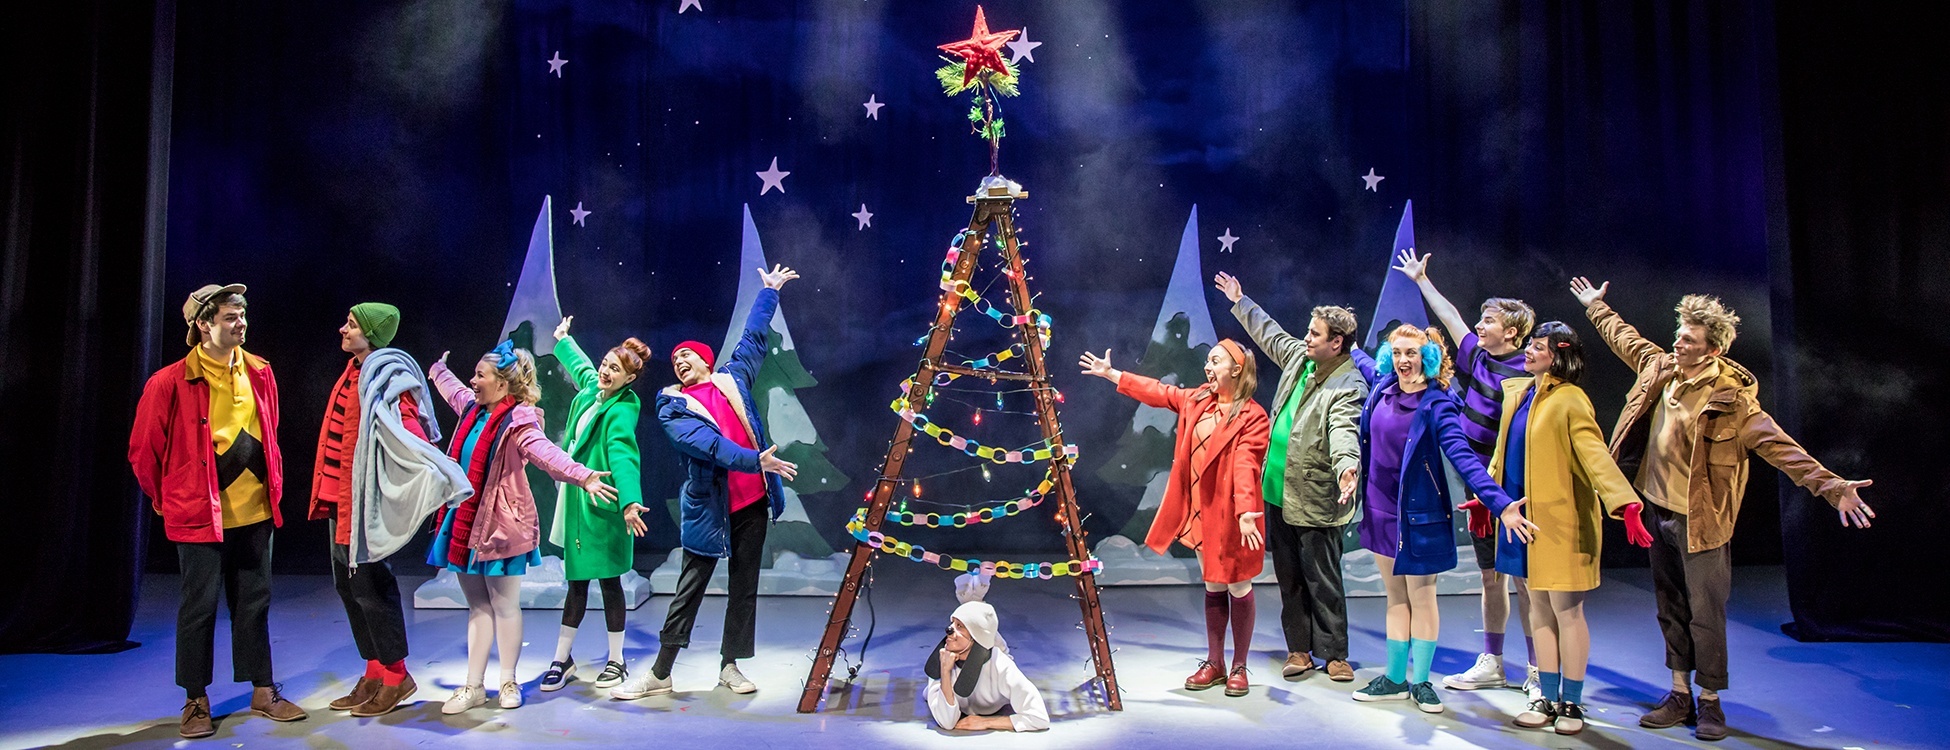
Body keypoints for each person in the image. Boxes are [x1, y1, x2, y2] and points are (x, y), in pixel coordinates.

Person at [1570, 278, 1874, 741]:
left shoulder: (1734, 403)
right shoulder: (1660, 368)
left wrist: (1834, 488)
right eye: (1679, 333)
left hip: (1702, 521)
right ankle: (1677, 694)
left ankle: (1709, 700)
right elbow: (1624, 338)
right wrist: (1597, 306)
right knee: (1669, 606)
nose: (1677, 342)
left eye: (1688, 339)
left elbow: (1783, 450)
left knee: (1705, 614)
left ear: (1711, 351)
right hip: (1655, 510)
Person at [612, 265, 803, 700]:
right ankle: (661, 672)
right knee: (689, 589)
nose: (679, 361)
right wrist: (757, 460)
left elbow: (752, 340)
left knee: (744, 586)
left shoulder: (731, 380)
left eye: (688, 356)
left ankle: (730, 666)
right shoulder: (671, 405)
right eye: (676, 359)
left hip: (751, 502)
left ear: (707, 361)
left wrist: (769, 294)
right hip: (708, 509)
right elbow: (708, 446)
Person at [129, 283, 307, 738]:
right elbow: (143, 451)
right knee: (199, 607)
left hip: (255, 511)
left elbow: (269, 428)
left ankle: (263, 690)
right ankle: (195, 700)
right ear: (203, 325)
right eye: (230, 316)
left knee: (254, 602)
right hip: (198, 514)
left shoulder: (260, 371)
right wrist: (166, 499)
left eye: (242, 313)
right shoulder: (169, 381)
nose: (240, 322)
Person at [427, 342, 618, 713]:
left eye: (480, 375)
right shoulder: (472, 408)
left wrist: (583, 476)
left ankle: (509, 680)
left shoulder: (519, 420)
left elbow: (547, 454)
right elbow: (453, 390)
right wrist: (437, 369)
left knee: (504, 606)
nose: (473, 380)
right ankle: (473, 686)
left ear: (502, 384)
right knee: (478, 607)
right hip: (465, 521)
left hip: (500, 524)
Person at [1482, 321, 1653, 734]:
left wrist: (1624, 500)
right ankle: (1544, 696)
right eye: (1530, 345)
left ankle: (1571, 704)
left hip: (1561, 522)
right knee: (1538, 609)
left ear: (1558, 355)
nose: (1528, 351)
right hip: (1524, 521)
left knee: (1567, 612)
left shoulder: (1570, 399)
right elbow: (1506, 450)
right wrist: (1488, 494)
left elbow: (1596, 455)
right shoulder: (1521, 394)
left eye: (1537, 347)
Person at [1080, 339, 1271, 697]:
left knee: (1237, 585)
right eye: (1208, 361)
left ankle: (1239, 666)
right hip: (1200, 512)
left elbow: (1247, 463)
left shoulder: (1252, 416)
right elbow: (1158, 391)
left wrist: (1246, 511)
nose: (1207, 367)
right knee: (1213, 584)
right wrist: (1112, 375)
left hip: (1233, 516)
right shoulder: (1197, 400)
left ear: (1236, 369)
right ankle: (1215, 662)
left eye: (1215, 361)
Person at [1390, 249, 1542, 695]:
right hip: (1477, 481)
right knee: (1490, 575)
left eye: (1489, 321)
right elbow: (1451, 316)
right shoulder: (1476, 356)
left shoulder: (1530, 372)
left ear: (1511, 332)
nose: (1479, 326)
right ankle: (1493, 660)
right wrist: (1421, 281)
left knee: (1526, 581)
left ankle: (1538, 669)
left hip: (1513, 485)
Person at [311, 303, 470, 717]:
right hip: (339, 497)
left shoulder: (387, 377)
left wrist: (435, 470)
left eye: (351, 324)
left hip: (364, 502)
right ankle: (374, 669)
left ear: (370, 332)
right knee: (348, 586)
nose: (343, 329)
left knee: (370, 585)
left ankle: (397, 675)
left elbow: (409, 430)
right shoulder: (354, 372)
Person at [1348, 325, 1517, 714]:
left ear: (1427, 358)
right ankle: (1394, 678)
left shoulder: (1437, 403)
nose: (1403, 360)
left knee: (1421, 597)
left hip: (1418, 516)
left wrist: (1500, 503)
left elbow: (1464, 458)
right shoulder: (1383, 386)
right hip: (1379, 510)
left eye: (1412, 353)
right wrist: (1355, 346)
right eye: (1398, 353)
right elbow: (1367, 365)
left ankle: (1421, 681)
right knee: (1394, 596)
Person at [1215, 271, 1365, 683]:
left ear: (1337, 342)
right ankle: (1299, 649)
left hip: (1315, 497)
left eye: (1316, 334)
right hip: (1278, 492)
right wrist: (1240, 301)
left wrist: (1347, 466)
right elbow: (1272, 335)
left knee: (1324, 579)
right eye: (1309, 332)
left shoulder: (1348, 384)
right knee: (1289, 578)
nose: (1308, 338)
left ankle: (1334, 653)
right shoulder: (1301, 357)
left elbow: (1343, 429)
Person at [539, 317, 651, 693]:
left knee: (609, 582)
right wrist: (564, 340)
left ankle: (617, 661)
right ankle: (562, 658)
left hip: (604, 502)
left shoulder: (622, 409)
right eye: (606, 364)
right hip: (577, 500)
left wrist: (631, 502)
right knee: (576, 582)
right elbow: (584, 371)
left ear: (629, 380)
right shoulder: (593, 391)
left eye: (614, 369)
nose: (605, 371)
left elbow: (623, 455)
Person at [926, 601, 1050, 732]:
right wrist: (945, 671)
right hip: (946, 698)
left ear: (975, 636)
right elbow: (947, 722)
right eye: (952, 623)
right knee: (930, 692)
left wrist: (988, 722)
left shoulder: (1001, 666)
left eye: (960, 626)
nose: (949, 630)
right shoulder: (942, 659)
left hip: (992, 699)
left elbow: (1039, 718)